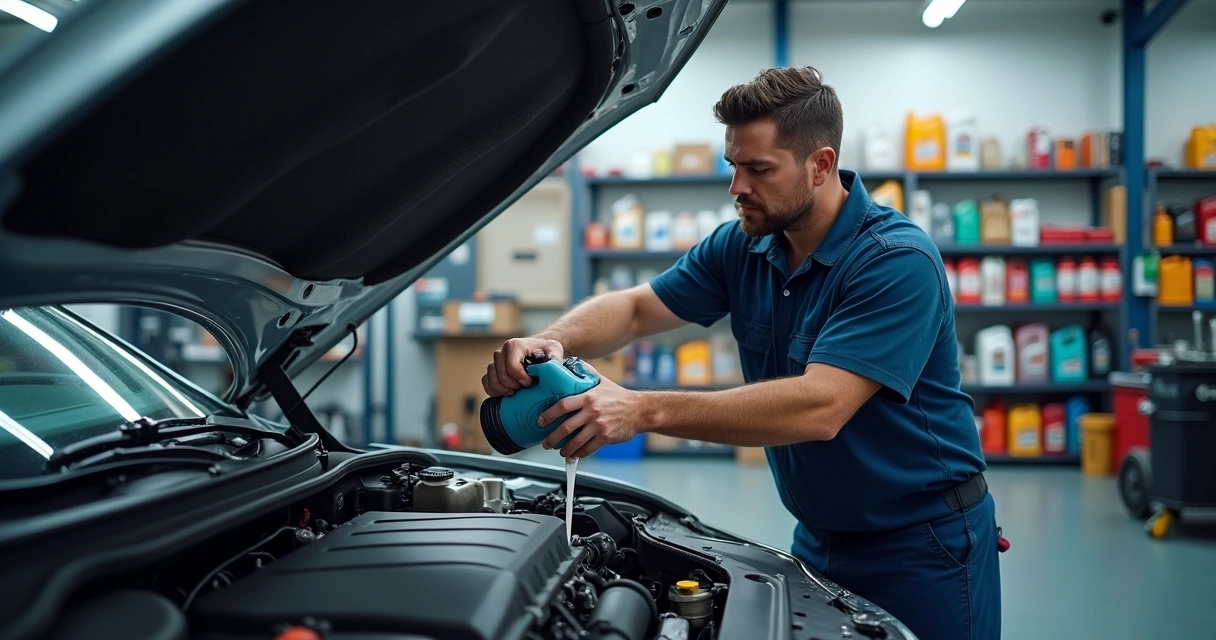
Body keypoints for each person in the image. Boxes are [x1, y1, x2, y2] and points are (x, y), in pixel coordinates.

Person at [481, 66, 1001, 640]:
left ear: (821, 165)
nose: (737, 188)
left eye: (759, 169)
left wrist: (642, 409)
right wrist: (553, 341)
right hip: (818, 534)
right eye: (734, 166)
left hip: (923, 542)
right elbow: (635, 308)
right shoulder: (745, 243)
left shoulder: (895, 262)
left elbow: (819, 408)